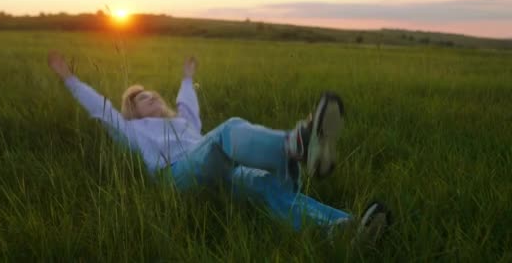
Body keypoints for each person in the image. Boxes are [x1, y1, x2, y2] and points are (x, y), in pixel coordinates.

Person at [47, 50, 390, 241]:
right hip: (177, 175)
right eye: (137, 99)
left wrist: (185, 75)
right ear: (131, 112)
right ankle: (297, 146)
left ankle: (343, 229)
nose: (146, 96)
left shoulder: (183, 121)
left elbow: (187, 102)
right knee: (228, 132)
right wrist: (69, 78)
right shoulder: (132, 130)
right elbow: (100, 108)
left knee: (267, 184)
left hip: (218, 169)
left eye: (149, 93)